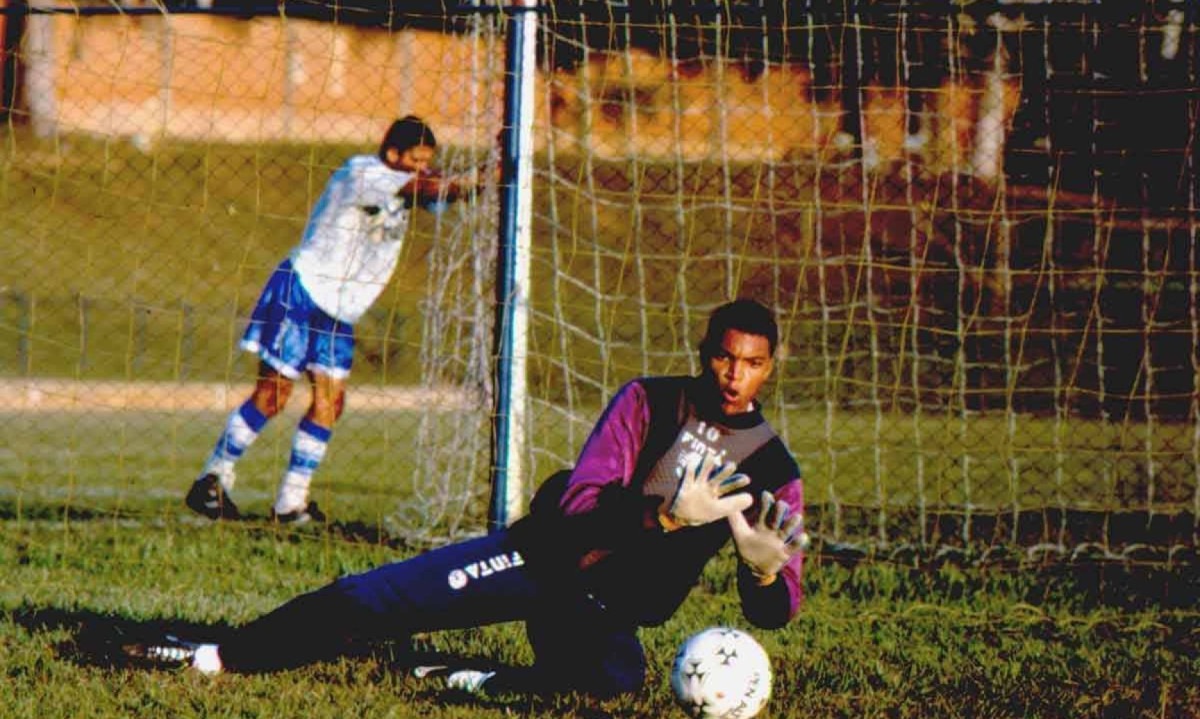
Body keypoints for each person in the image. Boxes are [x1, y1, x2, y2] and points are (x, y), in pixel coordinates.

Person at [129, 298, 809, 700]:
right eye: (725, 357)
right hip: (542, 558)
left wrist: (762, 569)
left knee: (614, 677)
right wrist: (659, 516)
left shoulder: (774, 468)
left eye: (752, 363)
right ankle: (216, 653)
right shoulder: (651, 400)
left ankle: (472, 675)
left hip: (599, 608)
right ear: (705, 352)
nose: (735, 374)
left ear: (770, 366)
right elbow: (577, 505)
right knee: (378, 602)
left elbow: (777, 611)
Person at [186, 115, 482, 524]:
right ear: (392, 154)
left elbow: (447, 192)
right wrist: (472, 179)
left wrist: (492, 173)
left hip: (339, 310)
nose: (422, 167)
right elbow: (431, 186)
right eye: (415, 159)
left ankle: (291, 503)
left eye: (426, 160)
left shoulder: (410, 182)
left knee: (331, 402)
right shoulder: (363, 172)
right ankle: (213, 479)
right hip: (302, 290)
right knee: (273, 396)